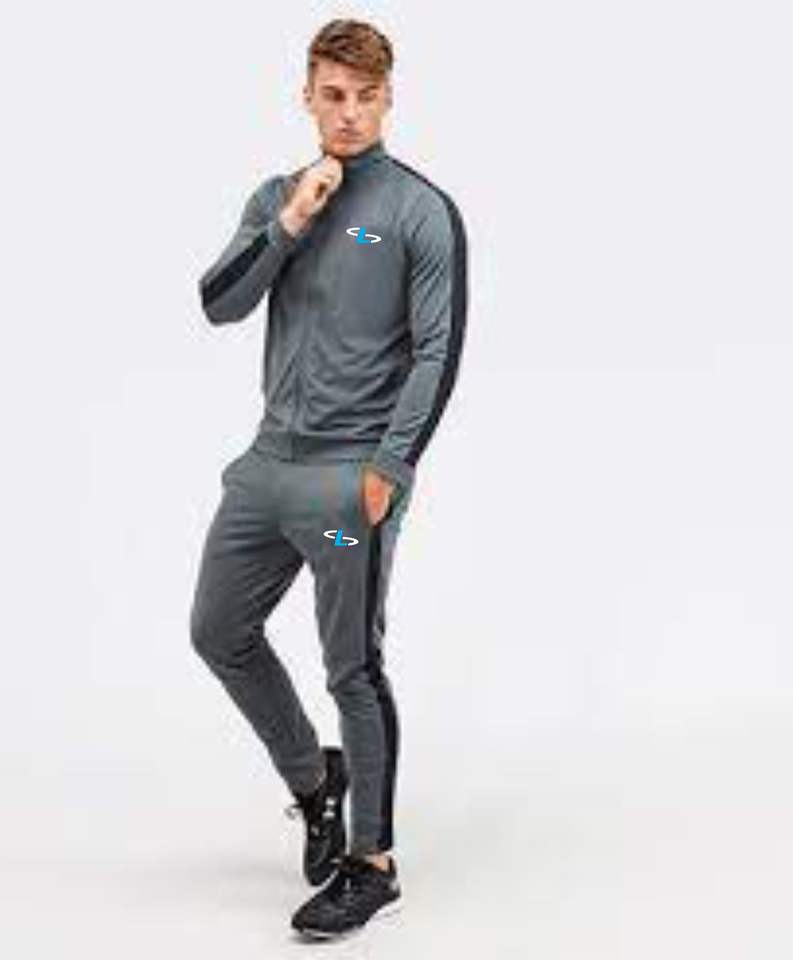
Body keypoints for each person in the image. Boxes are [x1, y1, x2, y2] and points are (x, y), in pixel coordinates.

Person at [190, 17, 468, 940]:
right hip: (265, 473)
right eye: (333, 95)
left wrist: (388, 468)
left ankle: (371, 864)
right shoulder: (278, 197)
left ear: (390, 99)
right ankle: (316, 781)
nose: (349, 113)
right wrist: (292, 221)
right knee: (218, 631)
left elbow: (436, 350)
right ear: (306, 98)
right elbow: (219, 302)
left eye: (366, 96)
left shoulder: (419, 212)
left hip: (349, 491)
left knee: (350, 662)